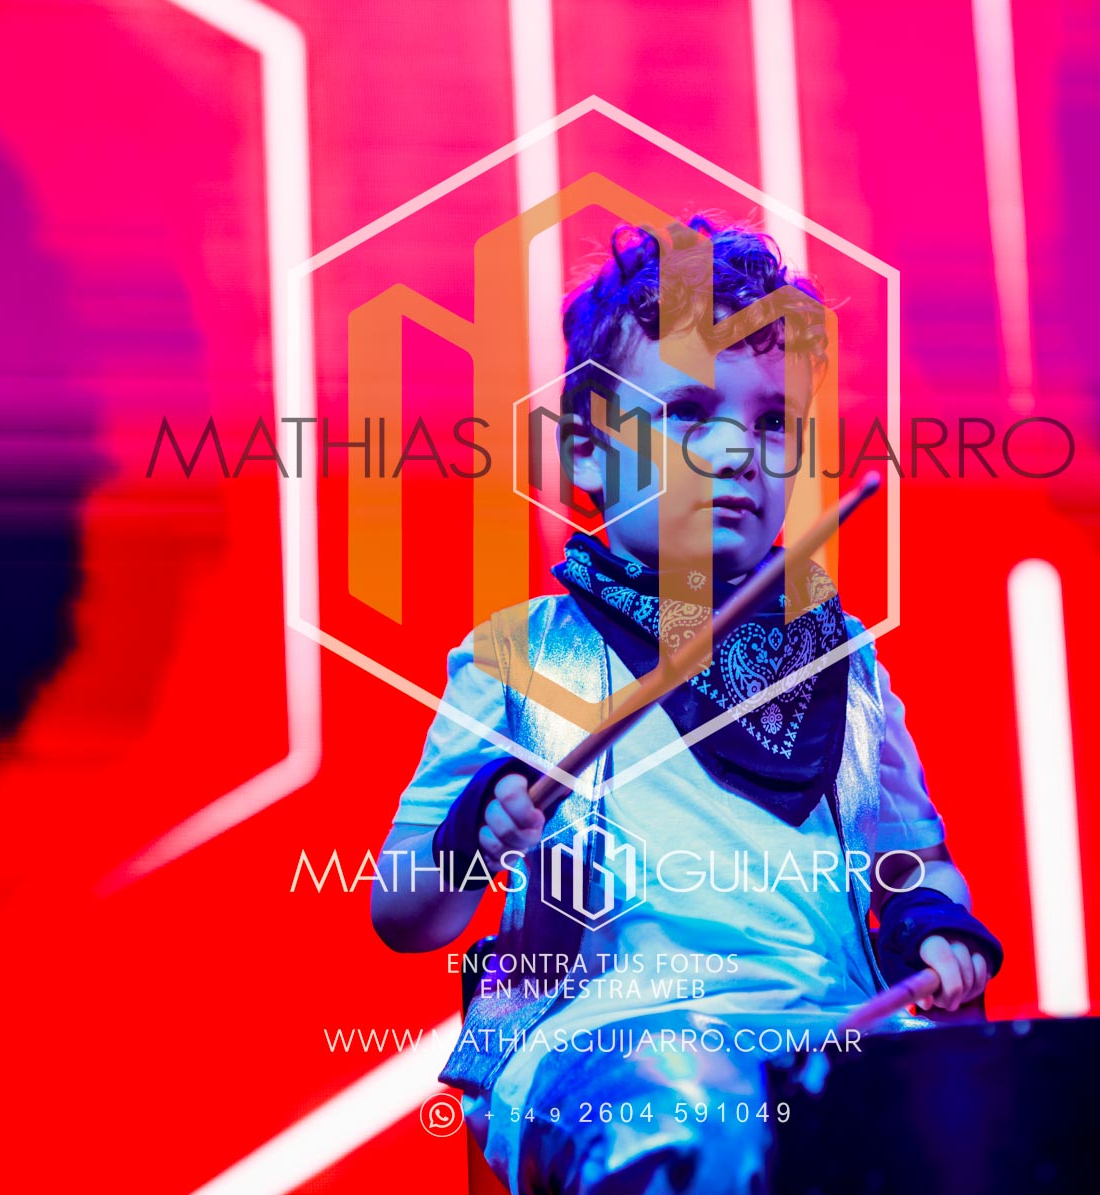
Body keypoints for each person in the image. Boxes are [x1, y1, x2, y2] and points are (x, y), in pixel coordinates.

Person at [370, 216, 1002, 1194]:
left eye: (770, 422)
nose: (736, 450)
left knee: (1025, 1114)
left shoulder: (846, 662)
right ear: (587, 454)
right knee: (690, 1116)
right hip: (607, 1047)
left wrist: (931, 926)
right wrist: (472, 834)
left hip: (833, 1032)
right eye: (686, 412)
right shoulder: (519, 653)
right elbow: (402, 912)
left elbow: (912, 863)